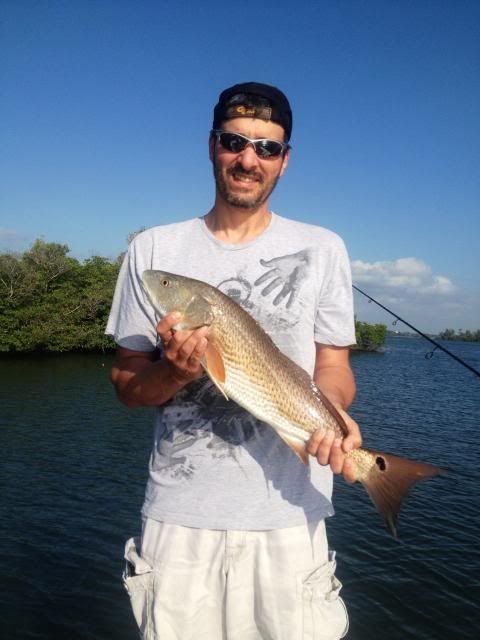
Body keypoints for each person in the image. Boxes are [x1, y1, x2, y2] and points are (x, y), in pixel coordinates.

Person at [106, 81, 362, 640]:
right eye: (234, 142)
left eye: (267, 147)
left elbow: (334, 368)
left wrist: (333, 416)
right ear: (212, 146)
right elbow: (127, 384)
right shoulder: (151, 250)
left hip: (291, 517)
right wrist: (173, 370)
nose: (249, 159)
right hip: (180, 517)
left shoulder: (325, 248)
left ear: (284, 161)